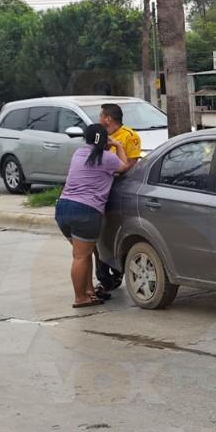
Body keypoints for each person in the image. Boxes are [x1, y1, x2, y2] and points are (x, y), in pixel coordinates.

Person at [54, 124, 128, 308]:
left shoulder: (78, 153)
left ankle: (88, 293)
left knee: (83, 255)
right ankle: (80, 298)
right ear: (105, 140)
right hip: (86, 210)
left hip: (63, 208)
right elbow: (125, 167)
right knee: (80, 257)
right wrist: (118, 146)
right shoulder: (108, 158)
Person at [93, 103, 142, 298]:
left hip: (116, 191)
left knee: (112, 232)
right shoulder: (101, 137)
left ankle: (115, 273)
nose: (99, 118)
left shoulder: (129, 136)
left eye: (100, 115)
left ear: (107, 118)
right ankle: (104, 277)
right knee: (98, 237)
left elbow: (129, 165)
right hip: (99, 191)